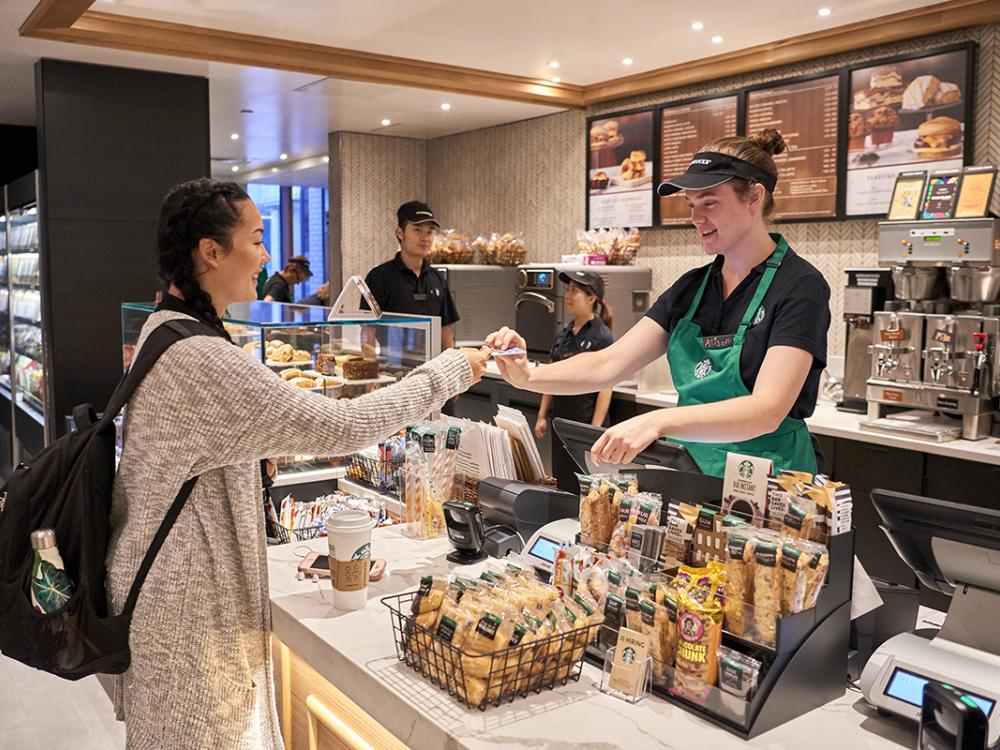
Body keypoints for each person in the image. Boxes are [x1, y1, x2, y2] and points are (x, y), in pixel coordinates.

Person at [106, 178, 489, 749]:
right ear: (210, 252)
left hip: (165, 602)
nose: (266, 257)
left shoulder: (168, 326)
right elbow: (344, 427)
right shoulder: (202, 357)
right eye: (256, 240)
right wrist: (451, 370)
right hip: (187, 624)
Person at [487, 129, 831, 478]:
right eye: (691, 205)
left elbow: (766, 410)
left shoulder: (799, 286)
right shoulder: (692, 288)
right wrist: (528, 374)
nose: (696, 218)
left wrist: (658, 422)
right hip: (695, 476)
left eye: (709, 202)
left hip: (773, 485)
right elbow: (610, 363)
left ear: (754, 196)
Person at [534, 270, 614, 493]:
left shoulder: (602, 336)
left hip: (585, 421)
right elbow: (552, 376)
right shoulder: (562, 335)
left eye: (575, 291)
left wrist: (595, 429)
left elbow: (606, 387)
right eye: (567, 290)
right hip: (560, 421)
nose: (568, 296)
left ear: (591, 298)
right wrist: (542, 416)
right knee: (562, 478)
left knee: (587, 485)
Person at [362, 201, 460, 351]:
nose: (424, 237)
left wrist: (452, 367)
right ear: (400, 233)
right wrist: (369, 369)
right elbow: (368, 330)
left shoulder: (437, 278)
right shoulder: (379, 277)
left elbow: (445, 329)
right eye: (417, 230)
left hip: (433, 367)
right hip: (391, 367)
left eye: (430, 231)